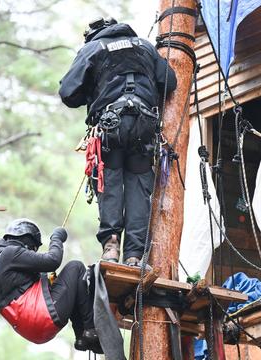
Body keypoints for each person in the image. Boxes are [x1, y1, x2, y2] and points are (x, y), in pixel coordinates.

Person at [59, 17, 177, 266]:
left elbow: (68, 93)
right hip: (144, 127)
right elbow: (170, 81)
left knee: (109, 183)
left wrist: (94, 89)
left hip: (111, 127)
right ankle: (135, 255)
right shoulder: (144, 46)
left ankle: (111, 247)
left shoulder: (93, 49)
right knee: (138, 188)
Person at [0, 218, 101, 352]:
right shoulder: (11, 253)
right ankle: (89, 329)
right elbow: (52, 260)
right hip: (40, 317)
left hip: (30, 328)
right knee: (75, 267)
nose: (33, 252)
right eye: (34, 248)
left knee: (72, 285)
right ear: (27, 239)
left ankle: (82, 339)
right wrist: (56, 238)